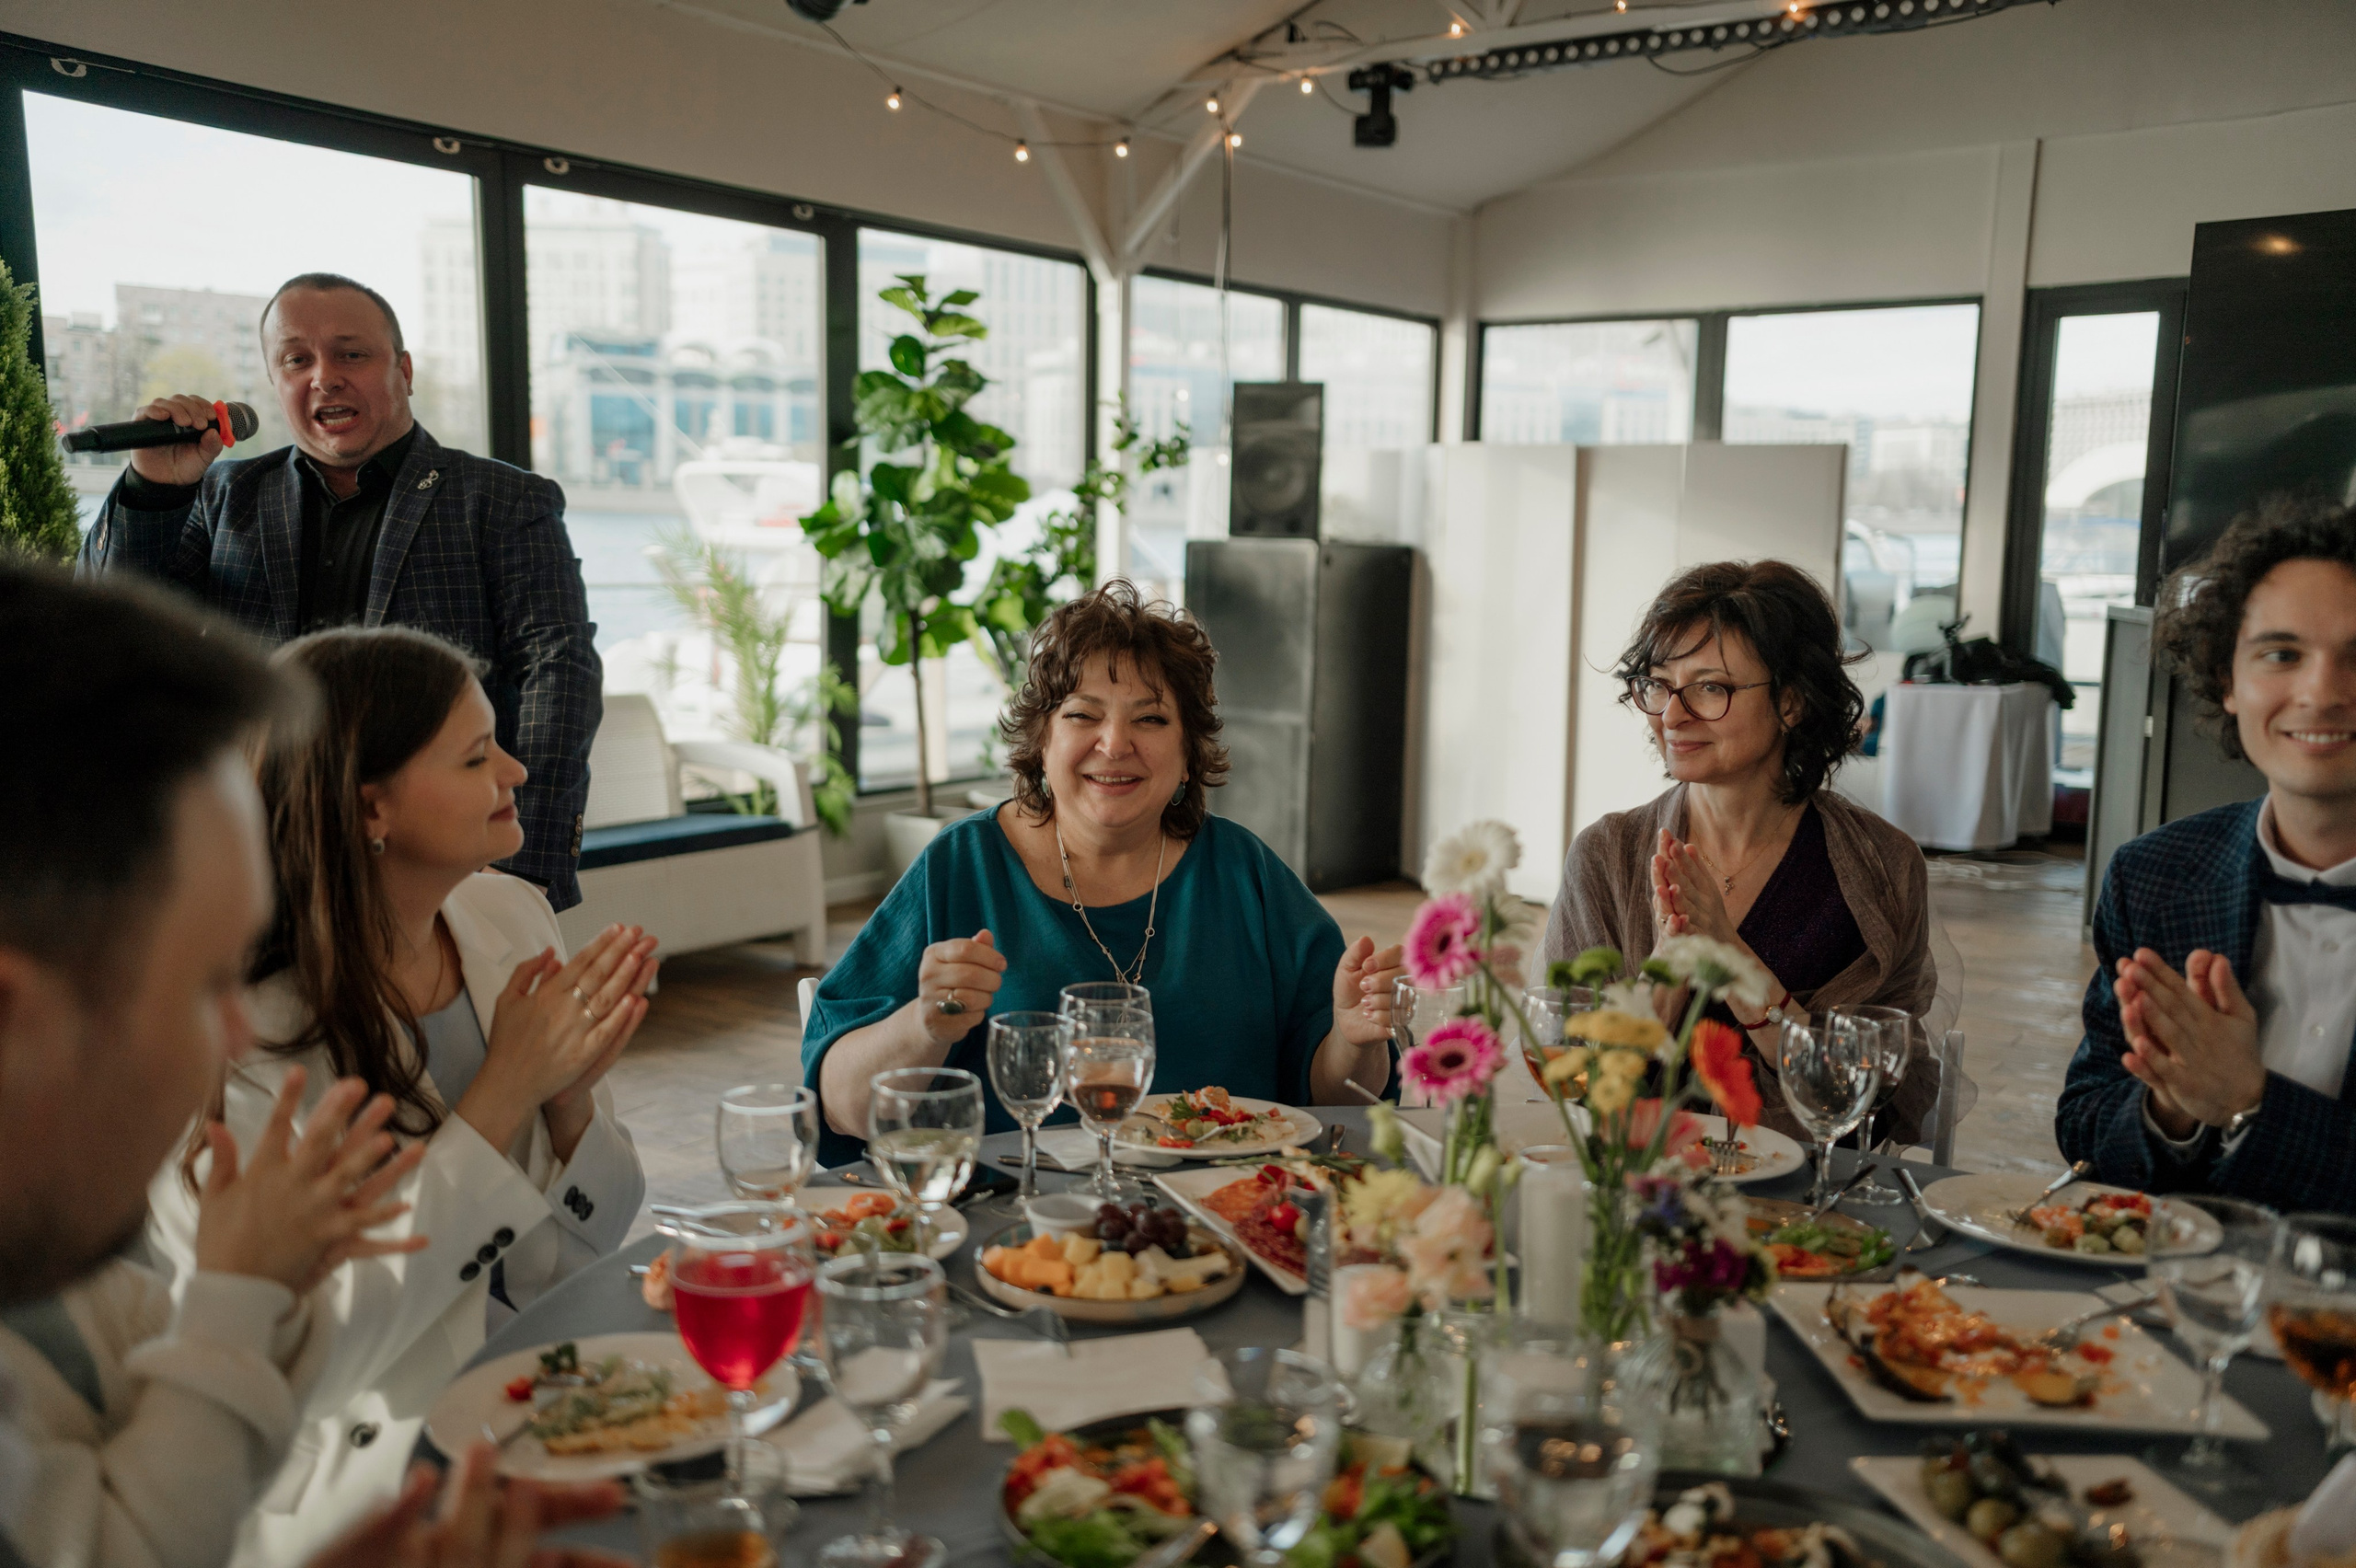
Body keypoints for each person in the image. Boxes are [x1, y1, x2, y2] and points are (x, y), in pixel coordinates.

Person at [0, 561, 626, 1568]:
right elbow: (314, 1378)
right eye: (199, 983)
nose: (237, 1036)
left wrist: (568, 1097)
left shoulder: (70, 1295)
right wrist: (241, 1294)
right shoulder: (259, 1064)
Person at [143, 626, 653, 1568]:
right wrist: (501, 1097)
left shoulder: (506, 916)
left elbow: (563, 1264)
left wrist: (571, 1105)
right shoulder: (246, 1046)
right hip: (374, 1495)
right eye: (474, 755)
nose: (517, 770)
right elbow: (323, 1358)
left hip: (536, 1398)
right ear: (369, 804)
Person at [803, 582, 1403, 1165]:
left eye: (1151, 720)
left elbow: (1337, 1103)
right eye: (1083, 714)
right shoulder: (963, 866)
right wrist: (924, 1023)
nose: (1114, 744)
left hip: (1229, 1218)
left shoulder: (1246, 873)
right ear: (1042, 741)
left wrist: (1354, 1039)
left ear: (1191, 754)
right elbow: (840, 1108)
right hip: (1020, 1229)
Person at [78, 272, 600, 911]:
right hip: (260, 855)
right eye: (297, 359)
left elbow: (560, 671)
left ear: (403, 370)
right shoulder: (220, 497)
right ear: (276, 381)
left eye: (351, 353)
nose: (324, 376)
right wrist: (155, 490)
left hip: (444, 860)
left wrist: (524, 863)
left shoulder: (502, 500)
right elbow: (115, 641)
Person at [1541, 559, 1938, 1142]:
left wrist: (1734, 960)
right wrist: (1670, 973)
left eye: (1709, 688)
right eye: (1657, 685)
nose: (1671, 716)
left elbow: (1864, 1100)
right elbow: (1575, 1084)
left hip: (1808, 1200)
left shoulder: (1882, 867)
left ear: (1793, 703)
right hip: (1638, 1189)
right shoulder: (1607, 855)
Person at [2057, 496, 2356, 1214]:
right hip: (2179, 1303)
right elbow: (2085, 1128)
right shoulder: (2155, 876)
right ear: (2228, 681)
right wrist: (2175, 1111)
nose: (2320, 693)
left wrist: (2249, 1100)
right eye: (2281, 655)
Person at [1, 1068, 427, 1568]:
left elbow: (217, 1439)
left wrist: (275, 1298)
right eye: (208, 991)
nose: (235, 1025)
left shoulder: (63, 1274)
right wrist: (239, 1291)